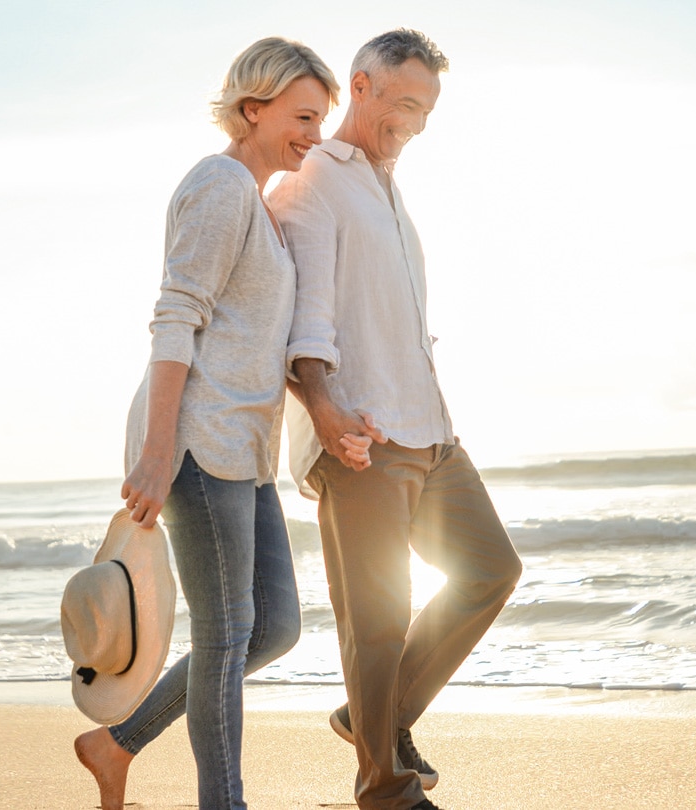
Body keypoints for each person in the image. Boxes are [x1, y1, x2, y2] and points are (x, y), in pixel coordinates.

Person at [73, 37, 343, 810]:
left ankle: (114, 743)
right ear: (251, 108)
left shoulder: (254, 202)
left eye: (320, 119)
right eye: (300, 116)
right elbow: (174, 319)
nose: (312, 135)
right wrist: (159, 453)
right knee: (225, 637)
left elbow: (254, 341)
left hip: (243, 452)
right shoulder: (221, 186)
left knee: (273, 629)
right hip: (195, 443)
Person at [270, 29, 523, 810]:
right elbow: (305, 316)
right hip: (363, 434)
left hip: (429, 427)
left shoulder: (386, 183)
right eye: (404, 103)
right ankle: (387, 791)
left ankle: (374, 718)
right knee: (376, 622)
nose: (414, 121)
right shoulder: (314, 178)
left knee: (492, 569)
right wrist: (324, 407)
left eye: (427, 109)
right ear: (362, 85)